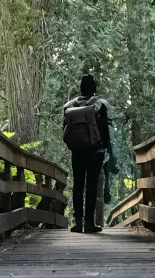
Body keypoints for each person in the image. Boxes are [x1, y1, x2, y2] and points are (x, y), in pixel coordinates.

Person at [62, 74, 112, 233]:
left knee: (78, 184)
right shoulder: (100, 105)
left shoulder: (70, 106)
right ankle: (89, 222)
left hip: (77, 150)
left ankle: (77, 222)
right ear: (94, 88)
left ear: (80, 88)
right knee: (91, 185)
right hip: (95, 150)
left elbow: (64, 129)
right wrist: (108, 149)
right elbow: (105, 130)